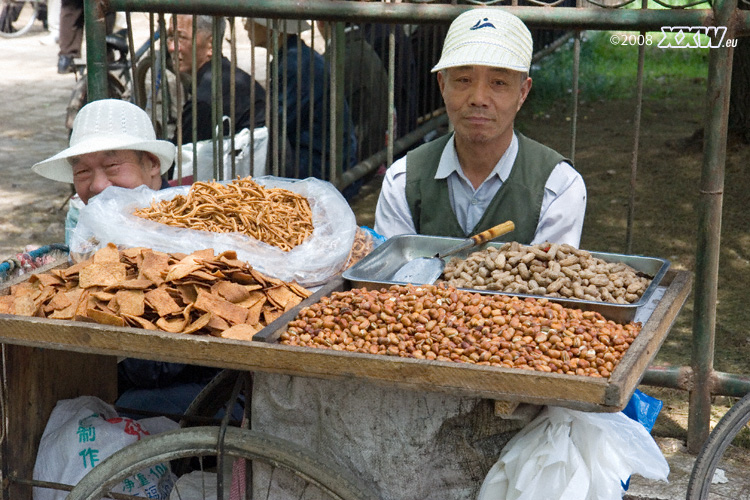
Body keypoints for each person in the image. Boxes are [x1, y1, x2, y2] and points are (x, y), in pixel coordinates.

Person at [32, 98, 221, 418]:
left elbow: (166, 362)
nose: (98, 185)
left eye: (112, 167)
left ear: (152, 164)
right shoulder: (85, 229)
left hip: (203, 390)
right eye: (82, 171)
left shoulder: (193, 231)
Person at [374, 8, 587, 248]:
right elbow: (391, 276)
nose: (478, 98)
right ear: (443, 85)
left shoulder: (557, 186)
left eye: (498, 83)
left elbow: (550, 278)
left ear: (522, 92)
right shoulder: (404, 181)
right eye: (464, 80)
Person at [243, 17, 359, 197]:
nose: (245, 26)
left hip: (321, 172)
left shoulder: (294, 64)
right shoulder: (295, 56)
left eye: (251, 21)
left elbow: (276, 123)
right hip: (325, 162)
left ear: (275, 29)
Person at [167, 15, 266, 147]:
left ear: (211, 45)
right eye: (170, 37)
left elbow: (180, 159)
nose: (172, 47)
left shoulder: (206, 100)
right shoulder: (229, 76)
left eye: (182, 38)